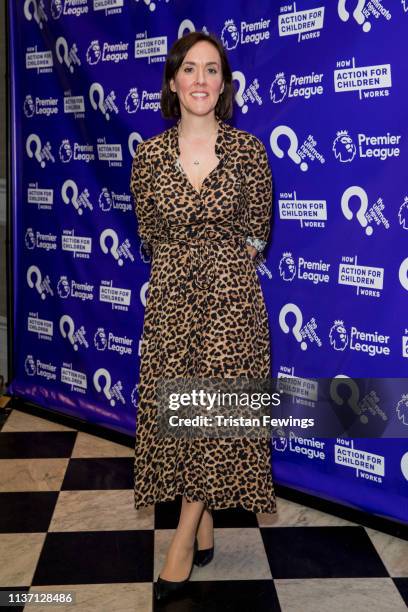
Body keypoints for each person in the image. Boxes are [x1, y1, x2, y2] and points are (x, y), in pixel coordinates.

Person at [130, 31, 277, 602]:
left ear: (224, 82)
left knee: (213, 418)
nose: (200, 80)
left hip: (232, 304)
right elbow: (148, 235)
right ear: (173, 81)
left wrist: (218, 268)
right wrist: (184, 266)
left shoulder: (249, 153)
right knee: (182, 417)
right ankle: (206, 517)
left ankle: (183, 542)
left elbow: (258, 234)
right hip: (170, 302)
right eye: (189, 69)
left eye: (211, 70)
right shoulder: (147, 157)